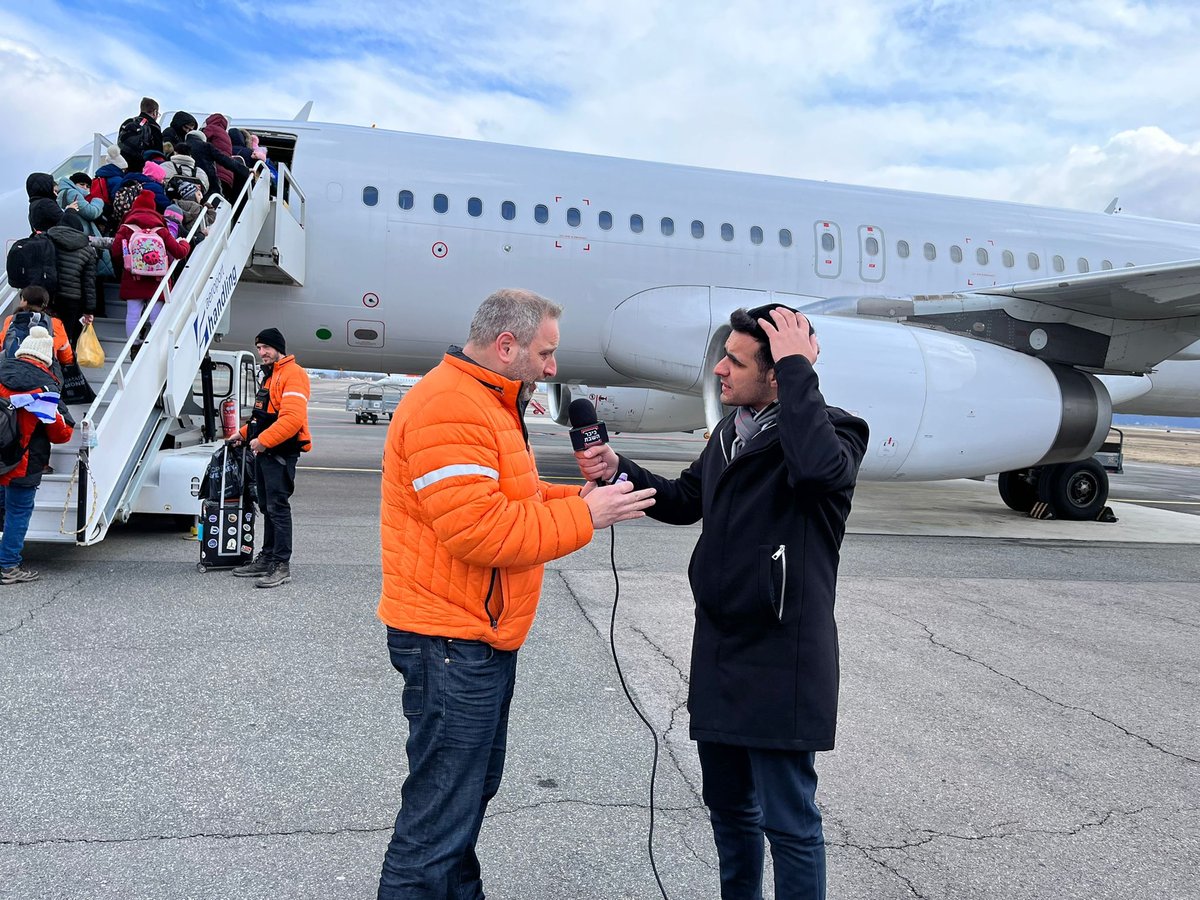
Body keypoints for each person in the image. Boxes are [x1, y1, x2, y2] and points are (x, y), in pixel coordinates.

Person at [576, 304, 869, 900]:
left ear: (778, 372)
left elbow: (816, 474)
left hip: (780, 653)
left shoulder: (835, 432)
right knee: (729, 809)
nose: (719, 372)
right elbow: (686, 499)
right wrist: (619, 471)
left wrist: (797, 368)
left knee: (789, 821)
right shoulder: (730, 434)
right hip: (721, 647)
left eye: (734, 361)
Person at [374, 288, 657, 899]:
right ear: (507, 346)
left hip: (475, 638)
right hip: (450, 642)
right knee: (436, 823)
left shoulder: (486, 402)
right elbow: (480, 530)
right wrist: (589, 518)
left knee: (462, 805)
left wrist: (583, 499)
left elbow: (514, 503)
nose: (553, 367)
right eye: (546, 352)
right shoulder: (450, 407)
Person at [228, 328, 311, 588]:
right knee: (267, 507)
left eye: (266, 347)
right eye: (259, 348)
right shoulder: (270, 376)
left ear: (278, 348)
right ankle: (267, 557)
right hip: (265, 453)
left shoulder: (293, 374)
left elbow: (292, 418)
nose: (261, 352)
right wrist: (242, 434)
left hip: (280, 454)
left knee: (278, 508)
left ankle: (281, 565)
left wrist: (263, 441)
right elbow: (262, 417)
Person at [0, 326, 74, 585]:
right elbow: (62, 434)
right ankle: (8, 566)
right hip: (24, 461)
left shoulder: (1, 374)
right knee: (18, 511)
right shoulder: (45, 387)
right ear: (46, 359)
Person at [110, 191, 190, 351]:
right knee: (156, 313)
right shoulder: (160, 229)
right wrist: (184, 243)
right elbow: (179, 252)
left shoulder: (126, 227)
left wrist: (127, 265)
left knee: (133, 313)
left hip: (133, 277)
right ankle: (154, 346)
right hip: (158, 279)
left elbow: (116, 252)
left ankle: (134, 345)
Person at [43, 210, 96, 350]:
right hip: (72, 299)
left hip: (48, 295)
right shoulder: (87, 249)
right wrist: (89, 309)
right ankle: (65, 363)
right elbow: (88, 283)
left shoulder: (48, 239)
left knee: (46, 333)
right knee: (66, 336)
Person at [0, 286, 74, 374]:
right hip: (43, 375)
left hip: (10, 373)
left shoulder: (11, 320)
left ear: (24, 302)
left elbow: (2, 344)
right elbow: (66, 357)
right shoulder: (55, 323)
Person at [117, 97, 164, 165]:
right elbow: (158, 154)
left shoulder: (128, 123)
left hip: (124, 166)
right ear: (155, 112)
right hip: (144, 168)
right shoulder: (153, 127)